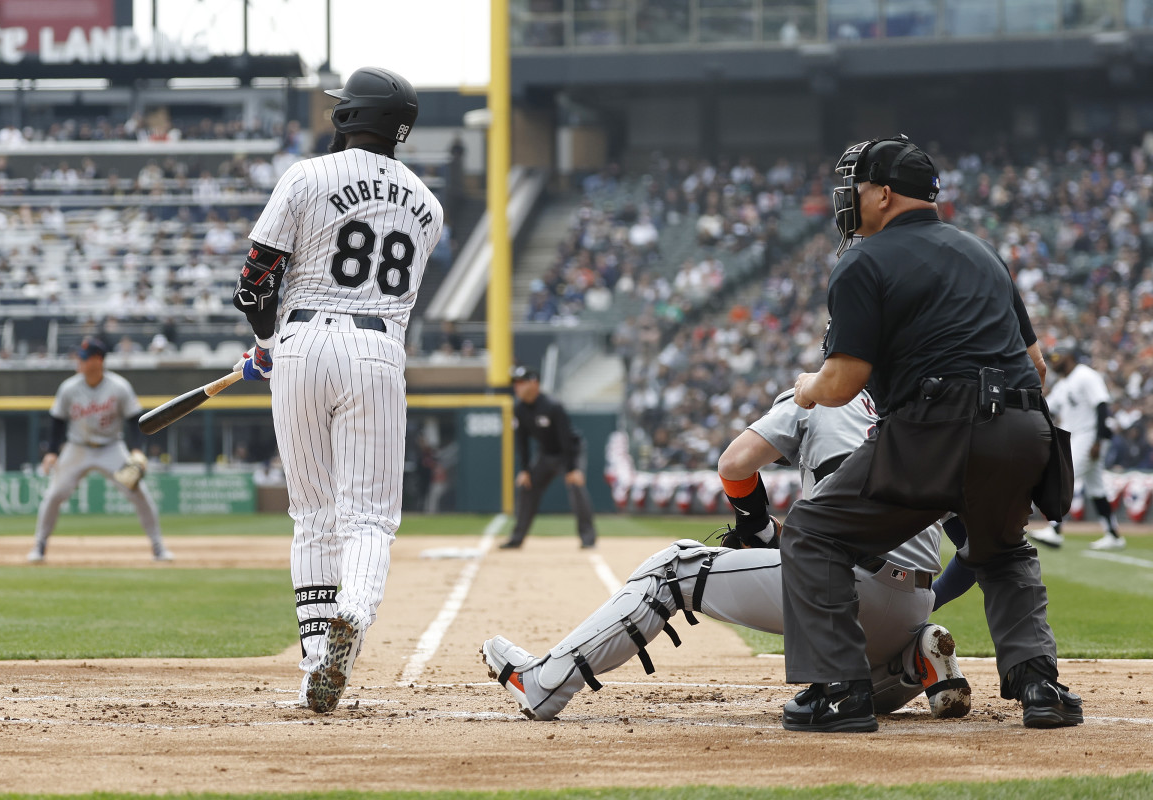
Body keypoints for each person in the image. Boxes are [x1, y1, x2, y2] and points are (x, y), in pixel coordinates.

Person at [781, 135, 1082, 733]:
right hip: (1023, 427)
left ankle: (843, 692)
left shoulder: (862, 261)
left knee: (813, 534)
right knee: (1002, 549)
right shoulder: (983, 253)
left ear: (884, 194)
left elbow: (844, 382)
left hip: (932, 427)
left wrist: (807, 386)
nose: (848, 198)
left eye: (856, 187)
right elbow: (1038, 367)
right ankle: (1040, 686)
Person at [481, 388, 971, 722]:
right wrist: (927, 603)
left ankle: (544, 682)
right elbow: (972, 550)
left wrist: (755, 528)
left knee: (672, 570)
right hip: (912, 604)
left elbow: (735, 464)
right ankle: (913, 660)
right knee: (855, 682)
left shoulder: (818, 393)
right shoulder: (923, 413)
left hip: (844, 588)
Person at [229, 67, 442, 714]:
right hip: (377, 347)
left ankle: (315, 661)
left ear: (350, 116)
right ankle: (353, 613)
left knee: (313, 517)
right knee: (369, 519)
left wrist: (267, 345)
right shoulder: (429, 206)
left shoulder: (304, 176)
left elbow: (253, 284)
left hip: (298, 344)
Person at [28, 337, 170, 563]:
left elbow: (135, 420)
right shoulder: (69, 387)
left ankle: (158, 547)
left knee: (139, 493)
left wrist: (136, 450)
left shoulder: (119, 386)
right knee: (54, 495)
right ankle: (39, 546)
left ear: (97, 360)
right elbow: (57, 421)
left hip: (111, 448)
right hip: (77, 448)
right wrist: (52, 452)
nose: (78, 361)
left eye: (83, 358)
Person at [1028, 345, 1124, 551]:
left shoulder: (1085, 375)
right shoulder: (1065, 382)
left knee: (1062, 477)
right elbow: (1047, 406)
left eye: (1057, 357)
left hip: (1089, 436)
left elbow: (1101, 405)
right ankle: (1113, 534)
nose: (1053, 361)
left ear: (1069, 356)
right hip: (1078, 437)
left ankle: (1054, 530)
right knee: (1096, 488)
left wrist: (1098, 441)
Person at [499, 366, 598, 549]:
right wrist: (525, 470)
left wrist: (571, 469)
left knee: (576, 487)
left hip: (570, 452)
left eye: (521, 383)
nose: (517, 387)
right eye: (515, 383)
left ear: (534, 384)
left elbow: (566, 440)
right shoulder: (519, 408)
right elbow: (521, 441)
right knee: (527, 487)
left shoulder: (552, 406)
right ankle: (517, 538)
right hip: (546, 455)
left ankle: (588, 538)